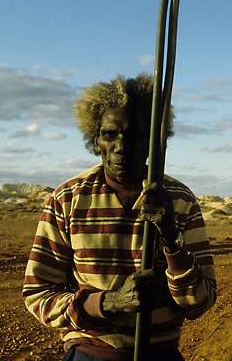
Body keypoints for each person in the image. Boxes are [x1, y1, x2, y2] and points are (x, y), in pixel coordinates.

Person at [23, 74, 217, 361]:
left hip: (160, 353)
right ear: (95, 140)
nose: (122, 146)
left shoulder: (178, 200)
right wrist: (105, 303)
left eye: (137, 135)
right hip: (92, 353)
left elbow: (200, 303)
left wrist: (171, 241)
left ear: (153, 141)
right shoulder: (68, 199)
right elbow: (38, 294)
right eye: (110, 134)